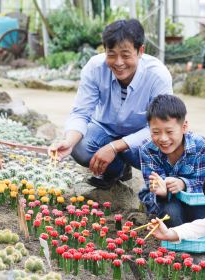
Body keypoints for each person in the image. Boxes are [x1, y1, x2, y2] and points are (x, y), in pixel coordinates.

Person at [49, 19, 173, 189]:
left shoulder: (157, 76)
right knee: (80, 148)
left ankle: (130, 167)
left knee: (164, 154)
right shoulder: (95, 68)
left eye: (126, 55)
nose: (119, 62)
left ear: (140, 51)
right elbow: (81, 113)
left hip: (140, 138)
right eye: (111, 54)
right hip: (104, 129)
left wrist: (114, 147)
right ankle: (115, 171)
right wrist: (69, 142)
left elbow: (161, 126)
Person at [138, 95, 205, 227]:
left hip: (192, 197)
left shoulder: (200, 145)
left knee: (201, 215)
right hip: (163, 201)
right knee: (171, 213)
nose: (163, 138)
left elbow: (203, 184)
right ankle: (179, 245)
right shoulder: (147, 149)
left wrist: (183, 184)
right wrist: (163, 192)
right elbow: (152, 187)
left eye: (170, 131)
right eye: (156, 132)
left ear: (184, 127)